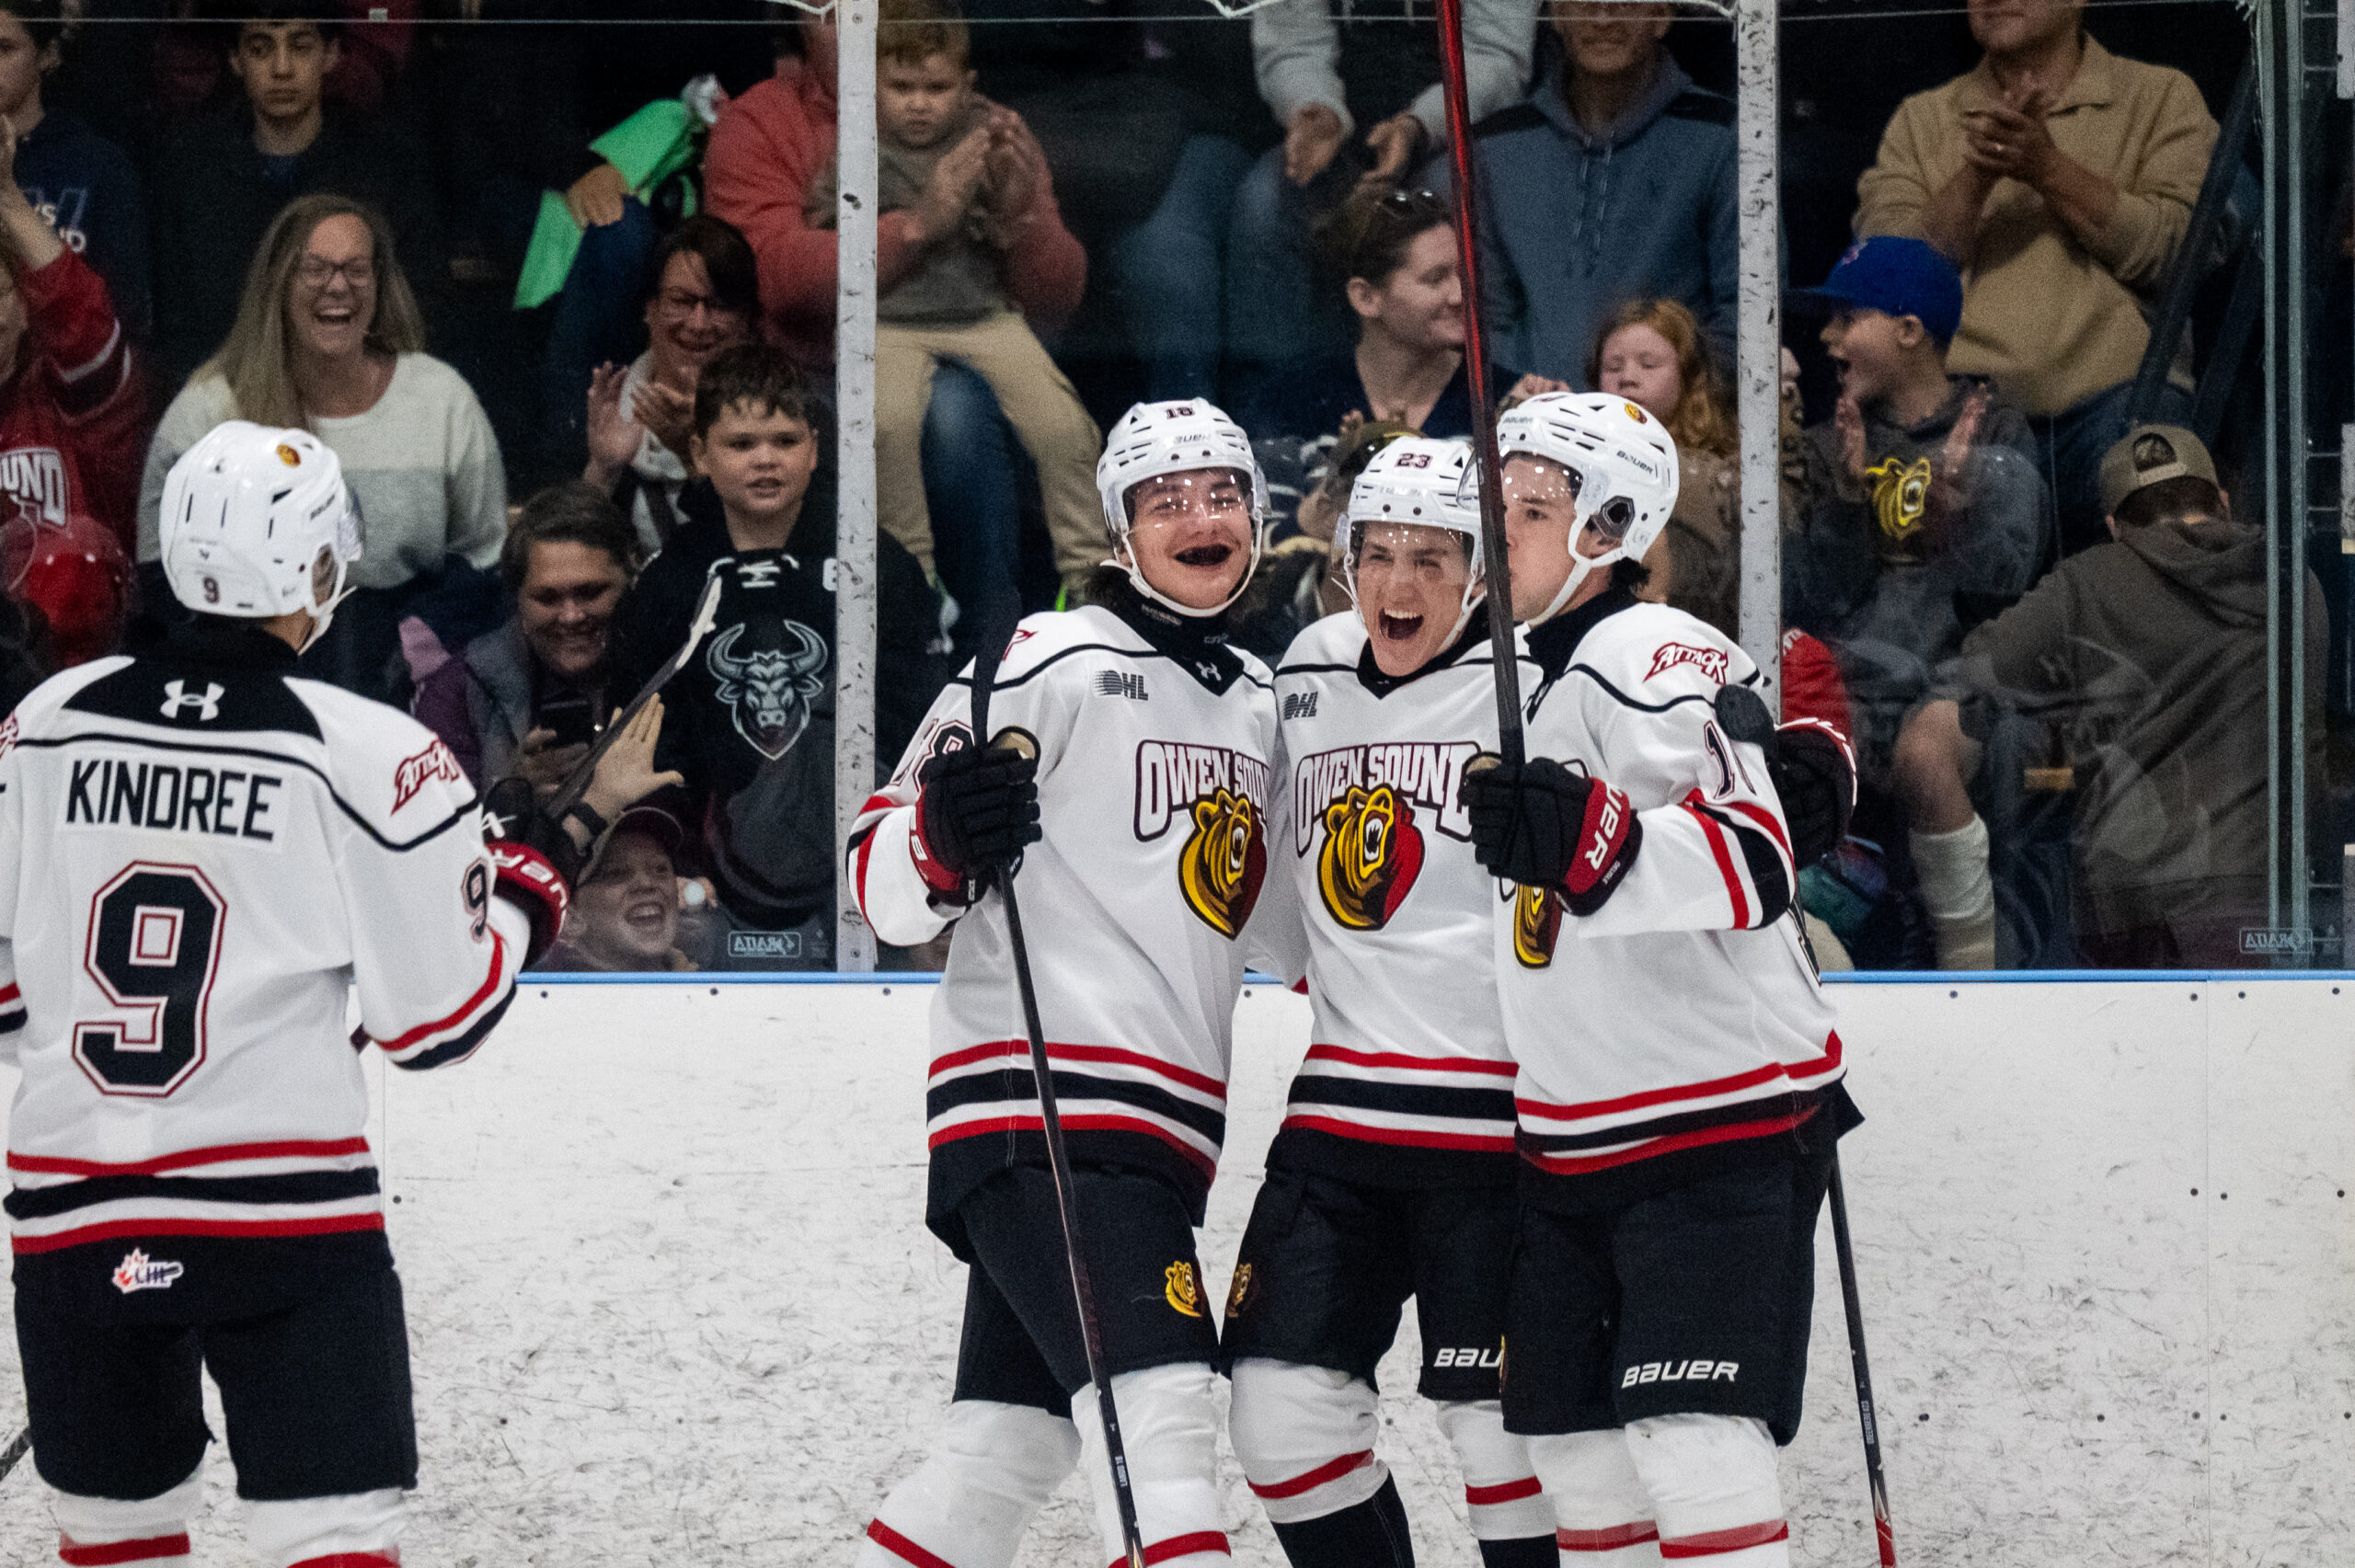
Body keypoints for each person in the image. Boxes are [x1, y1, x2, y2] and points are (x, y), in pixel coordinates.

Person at [0, 418, 565, 1568]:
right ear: (314, 564)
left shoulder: (40, 726)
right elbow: (437, 1023)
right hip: (285, 1223)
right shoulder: (367, 751)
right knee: (331, 1535)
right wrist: (521, 895)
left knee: (114, 1534)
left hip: (71, 1211)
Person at [845, 399, 1279, 1568]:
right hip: (1048, 1108)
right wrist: (940, 839)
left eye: (1222, 493)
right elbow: (879, 876)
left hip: (1153, 1133)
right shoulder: (1052, 657)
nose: (1199, 516)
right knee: (1162, 1426)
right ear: (1119, 533)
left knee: (1003, 1452)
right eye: (1164, 499)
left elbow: (1291, 922)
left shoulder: (1254, 696)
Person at [1459, 391, 1856, 1568]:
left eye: (1531, 509)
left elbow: (1755, 856)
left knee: (1690, 1438)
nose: (1497, 527)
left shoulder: (1646, 649)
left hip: (1713, 1121)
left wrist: (1600, 843)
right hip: (1572, 1134)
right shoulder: (1521, 671)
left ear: (1609, 530)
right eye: (1495, 501)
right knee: (1577, 1453)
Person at [1224, 437, 1557, 1567]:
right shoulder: (1308, 671)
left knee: (1501, 1435)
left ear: (1480, 572)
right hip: (1339, 1119)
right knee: (1278, 1418)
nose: (1398, 584)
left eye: (1431, 557)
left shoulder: (1538, 683)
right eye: (1376, 554)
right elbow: (1273, 884)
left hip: (1501, 1127)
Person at [1892, 424, 2325, 971]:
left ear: (2115, 528)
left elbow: (1981, 670)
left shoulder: (2086, 584)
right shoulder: (2294, 584)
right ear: (2222, 501)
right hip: (2273, 909)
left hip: (2136, 919)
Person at [704, 7, 1081, 629]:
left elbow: (1057, 298)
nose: (859, 23)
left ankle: (1005, 632)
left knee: (986, 413)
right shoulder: (760, 122)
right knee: (929, 412)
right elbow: (770, 275)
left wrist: (1022, 220)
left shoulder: (978, 123)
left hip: (968, 343)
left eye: (874, 6)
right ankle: (915, 605)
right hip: (811, 368)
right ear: (801, 25)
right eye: (833, 13)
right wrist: (915, 227)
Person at [604, 342, 941, 965]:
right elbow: (649, 742)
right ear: (699, 453)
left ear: (814, 449)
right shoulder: (670, 581)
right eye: (741, 443)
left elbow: (919, 714)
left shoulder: (877, 566)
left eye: (785, 441)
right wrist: (675, 854)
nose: (765, 459)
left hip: (867, 861)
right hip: (714, 881)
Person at [1854, 0, 2216, 554]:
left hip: (2119, 406)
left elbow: (2180, 255)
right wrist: (1980, 171)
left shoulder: (2161, 97)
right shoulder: (1922, 120)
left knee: (2158, 520)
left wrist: (2047, 168)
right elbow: (1889, 282)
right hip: (1963, 415)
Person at [138, 193, 507, 704]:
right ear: (278, 283)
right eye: (315, 269)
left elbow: (485, 559)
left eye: (356, 270)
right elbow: (159, 569)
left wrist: (416, 646)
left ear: (380, 285)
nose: (338, 286)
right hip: (244, 671)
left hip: (404, 675)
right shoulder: (207, 411)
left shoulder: (442, 399)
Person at [804, 0, 1103, 606]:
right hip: (889, 322)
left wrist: (1012, 198)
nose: (919, 104)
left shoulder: (993, 135)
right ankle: (913, 585)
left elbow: (1017, 239)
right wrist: (909, 222)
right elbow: (827, 239)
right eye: (902, 87)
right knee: (884, 428)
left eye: (937, 88)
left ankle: (1090, 576)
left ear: (967, 86)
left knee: (1065, 427)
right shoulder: (856, 144)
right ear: (871, 82)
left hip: (984, 316)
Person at [1782, 236, 2046, 798]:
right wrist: (1848, 496)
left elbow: (2002, 596)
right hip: (1851, 687)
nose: (1827, 336)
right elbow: (1824, 598)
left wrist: (1958, 509)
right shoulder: (1828, 446)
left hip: (1953, 687)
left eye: (1848, 317)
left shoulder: (1994, 432)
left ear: (1909, 331)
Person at [1229, 0, 1536, 385]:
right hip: (1337, 127)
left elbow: (1497, 57)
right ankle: (1277, 402)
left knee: (1443, 205)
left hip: (1452, 126)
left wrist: (1417, 127)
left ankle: (1452, 399)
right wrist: (1314, 106)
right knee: (1263, 204)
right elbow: (1292, 42)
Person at [146, 4, 442, 389]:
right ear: (235, 59)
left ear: (331, 54)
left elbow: (414, 315)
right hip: (229, 400)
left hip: (356, 397)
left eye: (300, 46)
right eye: (261, 48)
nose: (282, 69)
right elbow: (179, 329)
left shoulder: (387, 171)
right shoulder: (189, 173)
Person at [1471, 1, 1738, 385]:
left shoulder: (1720, 135)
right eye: (1583, 2)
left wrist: (1680, 399)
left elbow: (1745, 309)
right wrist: (1518, 398)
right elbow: (1486, 316)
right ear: (1557, 16)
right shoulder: (1500, 143)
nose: (1602, 19)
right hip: (1533, 413)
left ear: (1661, 17)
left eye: (1624, 2)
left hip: (1669, 416)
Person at [0, 105, 142, 667]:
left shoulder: (71, 398)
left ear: (25, 304)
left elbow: (81, 319)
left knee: (70, 552)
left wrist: (6, 197)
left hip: (78, 680)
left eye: (1, 293)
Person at [1242, 186, 1545, 443]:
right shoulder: (1291, 404)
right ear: (1366, 298)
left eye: (1463, 274)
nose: (1460, 295)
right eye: (1435, 279)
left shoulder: (1510, 405)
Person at [412, 480, 642, 794]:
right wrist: (510, 793)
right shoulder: (458, 694)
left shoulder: (671, 670)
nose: (571, 615)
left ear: (630, 580)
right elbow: (436, 816)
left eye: (590, 593)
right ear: (516, 599)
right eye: (547, 598)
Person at [583, 214, 760, 555]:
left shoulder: (786, 415)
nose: (699, 324)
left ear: (747, 318)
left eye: (720, 306)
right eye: (681, 301)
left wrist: (697, 454)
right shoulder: (608, 408)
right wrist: (603, 470)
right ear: (649, 308)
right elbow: (579, 557)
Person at [1589, 297, 1740, 637]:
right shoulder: (1583, 469)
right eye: (1612, 367)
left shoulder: (1718, 477)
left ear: (1689, 378)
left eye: (1648, 365)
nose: (1627, 378)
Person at [0, 0, 151, 342]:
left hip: (72, 366)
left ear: (48, 55)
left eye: (4, 48)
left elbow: (127, 315)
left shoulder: (99, 166)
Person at [541, 803, 699, 972]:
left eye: (660, 869)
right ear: (570, 918)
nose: (646, 884)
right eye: (616, 873)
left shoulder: (705, 981)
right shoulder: (541, 985)